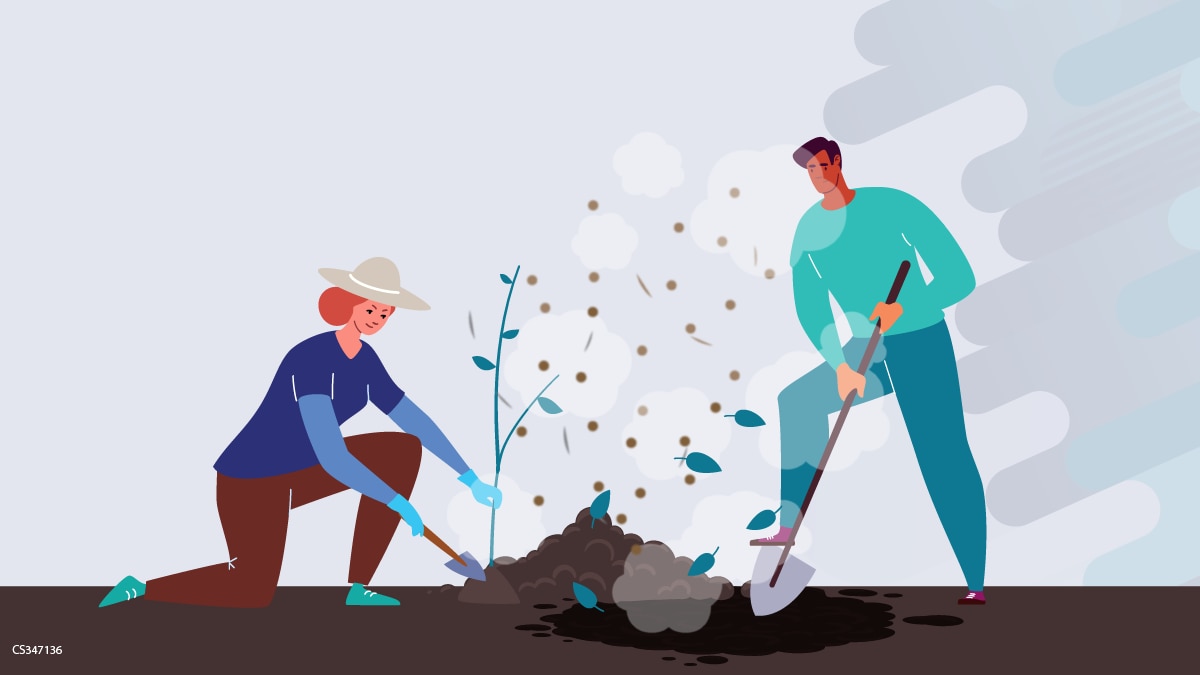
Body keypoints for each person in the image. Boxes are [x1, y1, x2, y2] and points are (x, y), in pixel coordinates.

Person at [100, 256, 502, 608]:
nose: (378, 317)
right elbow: (331, 453)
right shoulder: (311, 357)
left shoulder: (366, 360)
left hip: (302, 470)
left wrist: (468, 477)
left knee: (401, 449)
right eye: (372, 307)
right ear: (350, 303)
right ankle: (142, 587)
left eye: (386, 312)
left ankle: (359, 587)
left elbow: (413, 419)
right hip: (252, 479)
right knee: (251, 590)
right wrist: (396, 501)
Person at [753, 137, 988, 606]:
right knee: (795, 401)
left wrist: (908, 306)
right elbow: (811, 308)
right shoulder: (808, 232)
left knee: (942, 454)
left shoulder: (894, 206)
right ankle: (787, 527)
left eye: (821, 167)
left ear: (838, 163)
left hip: (921, 342)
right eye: (809, 172)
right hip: (866, 351)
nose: (816, 177)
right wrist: (839, 365)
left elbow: (960, 276)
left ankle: (975, 580)